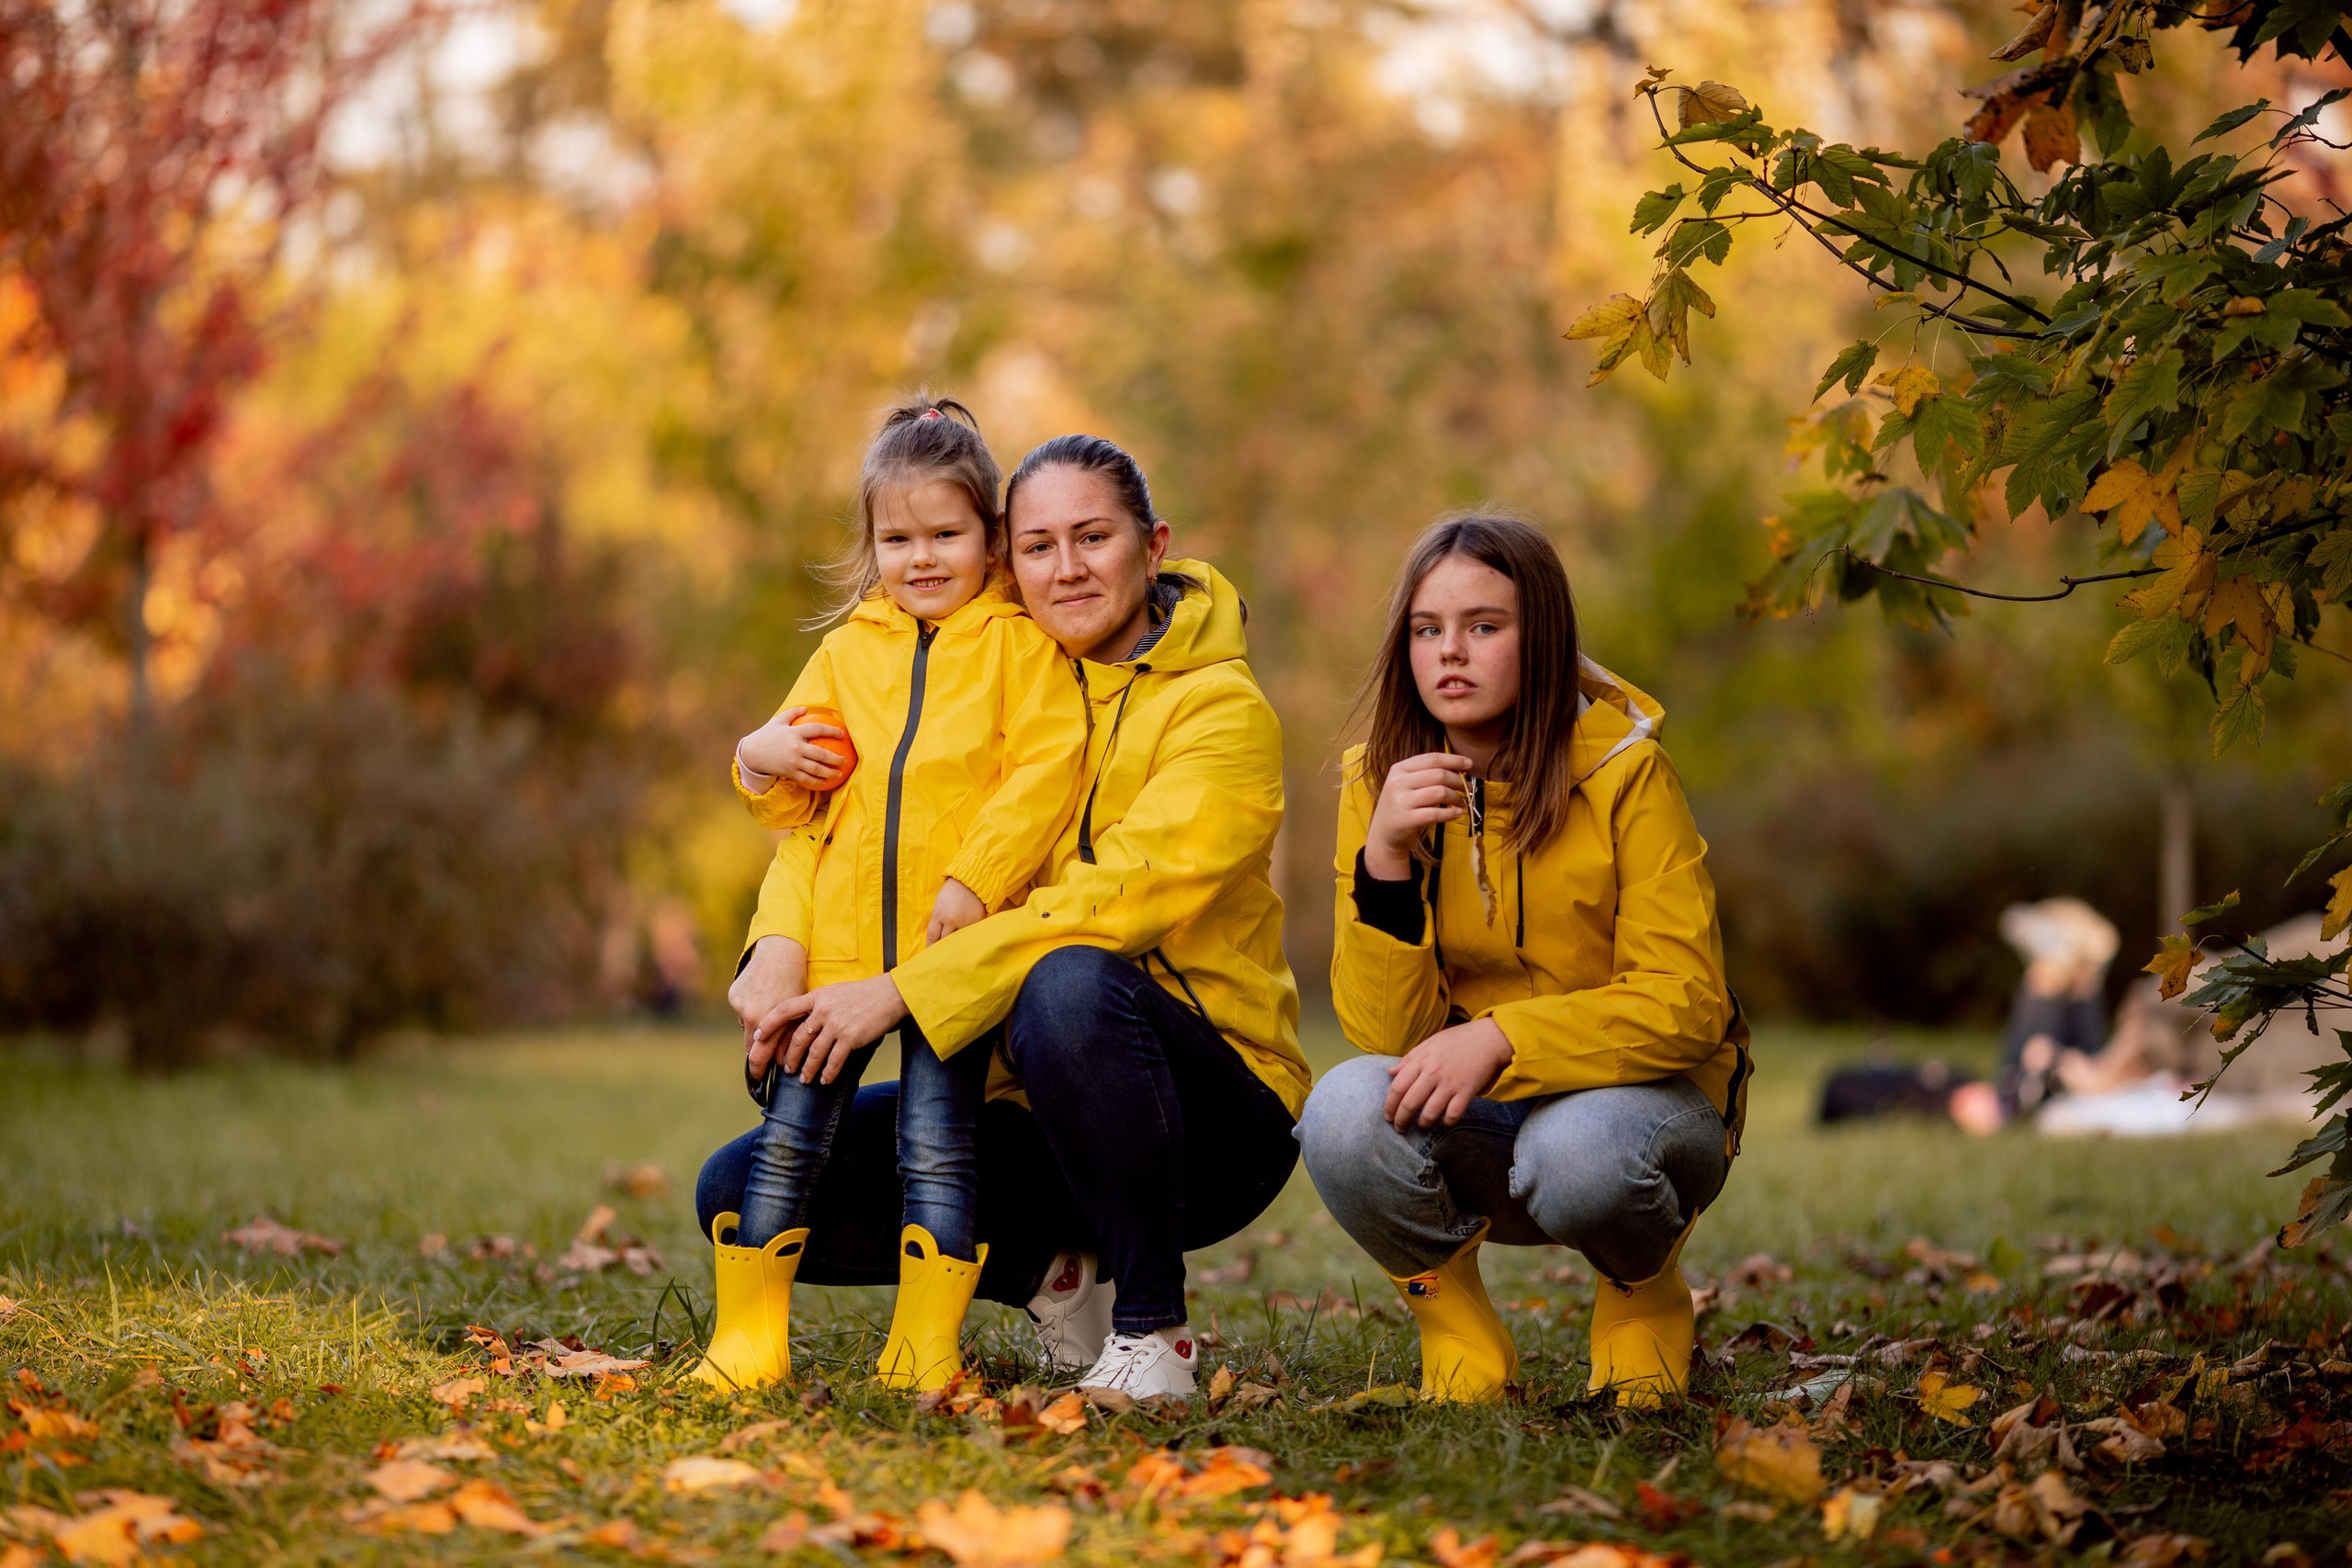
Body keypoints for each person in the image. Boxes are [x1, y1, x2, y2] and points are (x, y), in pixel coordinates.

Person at [707, 433, 1308, 1400]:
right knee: (736, 1189)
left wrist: (897, 992)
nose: (1065, 568)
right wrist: (779, 947)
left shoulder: (1219, 713)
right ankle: (1057, 1279)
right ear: (1007, 558)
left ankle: (1154, 1332)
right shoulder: (983, 670)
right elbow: (830, 828)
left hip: (1207, 1112)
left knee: (1065, 981)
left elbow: (1114, 905)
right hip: (1023, 1091)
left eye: (1093, 538)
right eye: (1039, 545)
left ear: (1152, 547)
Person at [1297, 513, 1750, 1408]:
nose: (1449, 653)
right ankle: (1457, 1329)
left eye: (1483, 627)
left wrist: (1503, 1037)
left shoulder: (1627, 777)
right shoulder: (1379, 784)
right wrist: (1384, 860)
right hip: (1491, 1123)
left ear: (1539, 637)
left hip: (1643, 1118)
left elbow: (1688, 1001)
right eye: (1427, 630)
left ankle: (1641, 1295)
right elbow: (1385, 1033)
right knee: (1341, 1112)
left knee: (1577, 1151)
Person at [688, 398, 1088, 1393]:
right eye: (896, 537)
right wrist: (756, 758)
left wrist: (973, 877)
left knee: (938, 1152)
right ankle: (747, 1341)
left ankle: (923, 1346)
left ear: (989, 537)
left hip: (944, 963)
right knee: (786, 1146)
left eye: (945, 534)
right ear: (869, 545)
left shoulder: (1017, 646)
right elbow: (799, 807)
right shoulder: (847, 650)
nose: (921, 558)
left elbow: (1045, 770)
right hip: (830, 958)